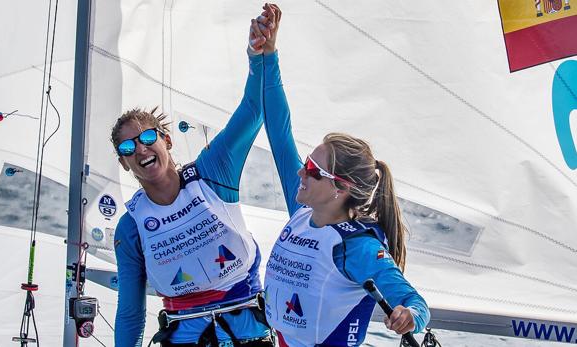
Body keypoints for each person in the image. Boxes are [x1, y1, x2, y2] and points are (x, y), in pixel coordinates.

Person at [254, 4, 430, 346]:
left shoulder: (358, 248)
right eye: (306, 163)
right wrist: (268, 54)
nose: (300, 173)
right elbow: (278, 130)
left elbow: (416, 304)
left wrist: (411, 316)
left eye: (312, 171)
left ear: (340, 189)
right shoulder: (305, 213)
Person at [110, 17, 275, 347]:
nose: (140, 148)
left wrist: (259, 56)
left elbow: (255, 110)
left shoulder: (213, 172)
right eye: (128, 148)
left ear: (166, 141)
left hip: (249, 334)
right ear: (125, 164)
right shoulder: (130, 228)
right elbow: (130, 312)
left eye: (147, 137)